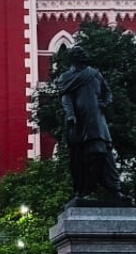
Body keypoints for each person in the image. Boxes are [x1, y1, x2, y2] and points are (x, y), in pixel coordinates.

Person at [56, 45, 131, 205]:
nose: (84, 55)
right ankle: (85, 191)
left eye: (83, 53)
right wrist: (70, 115)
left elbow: (107, 92)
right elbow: (66, 97)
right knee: (85, 156)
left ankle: (114, 190)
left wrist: (105, 102)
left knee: (105, 153)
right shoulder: (66, 77)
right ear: (74, 58)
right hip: (80, 122)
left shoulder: (95, 74)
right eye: (80, 54)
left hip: (97, 119)